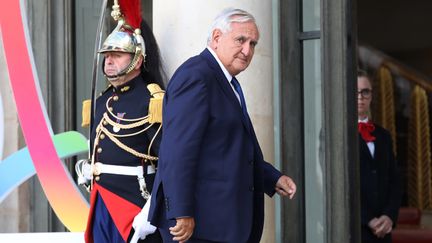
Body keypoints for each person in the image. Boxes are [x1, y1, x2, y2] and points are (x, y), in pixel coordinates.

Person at [148, 8, 297, 243]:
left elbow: (226, 148)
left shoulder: (224, 81)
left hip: (222, 224)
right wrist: (181, 211)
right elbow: (178, 151)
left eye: (253, 43)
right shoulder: (197, 76)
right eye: (241, 40)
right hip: (199, 227)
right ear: (217, 38)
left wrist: (271, 177)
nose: (248, 50)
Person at [80, 1, 165, 242]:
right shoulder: (103, 100)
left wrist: (152, 211)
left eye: (116, 55)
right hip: (101, 202)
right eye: (107, 55)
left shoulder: (152, 100)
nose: (108, 61)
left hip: (133, 207)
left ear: (137, 60)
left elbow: (168, 163)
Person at [357, 69, 402, 243]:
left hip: (383, 231)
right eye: (356, 91)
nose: (360, 97)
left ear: (371, 95)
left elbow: (395, 180)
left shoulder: (384, 135)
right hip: (355, 227)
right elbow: (337, 183)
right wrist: (368, 219)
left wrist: (389, 216)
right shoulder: (337, 134)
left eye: (365, 92)